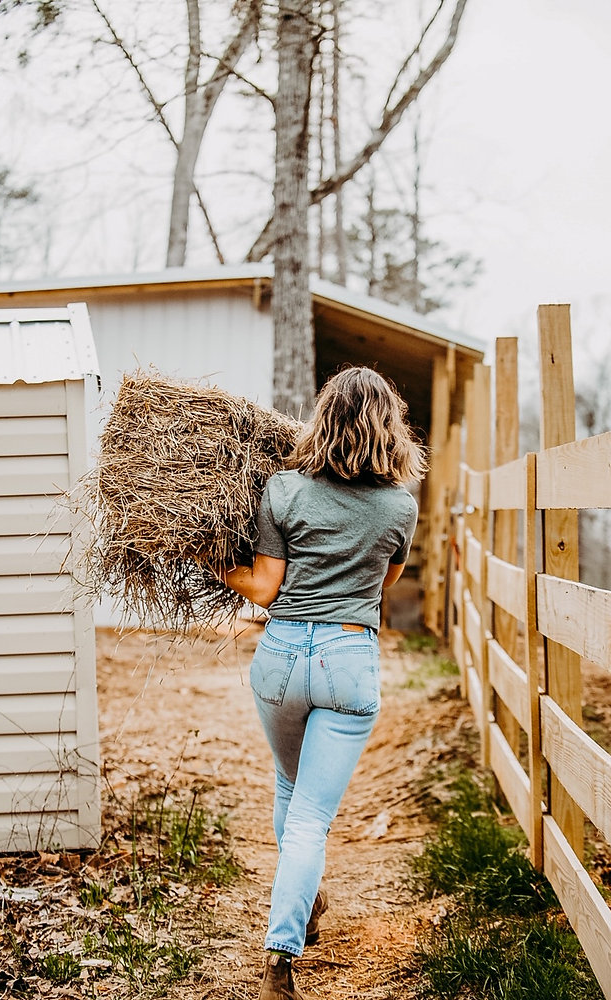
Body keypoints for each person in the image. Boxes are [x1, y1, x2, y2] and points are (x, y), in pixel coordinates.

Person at [222, 366, 427, 1000]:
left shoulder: (283, 490)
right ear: (389, 428)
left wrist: (210, 562)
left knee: (290, 786)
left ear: (322, 420)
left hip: (281, 656)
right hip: (347, 660)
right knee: (311, 813)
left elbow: (264, 588)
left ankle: (301, 906)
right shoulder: (400, 506)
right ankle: (280, 954)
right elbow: (384, 584)